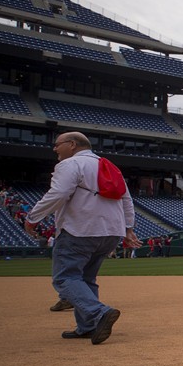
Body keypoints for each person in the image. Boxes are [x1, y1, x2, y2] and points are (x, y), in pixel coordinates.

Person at [25, 132, 141, 344]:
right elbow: (126, 199)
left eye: (57, 144)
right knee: (87, 279)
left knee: (64, 278)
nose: (55, 149)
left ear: (72, 145)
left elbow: (58, 194)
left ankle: (99, 313)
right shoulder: (110, 166)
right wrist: (128, 228)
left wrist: (33, 218)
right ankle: (87, 326)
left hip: (80, 229)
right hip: (111, 232)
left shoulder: (70, 164)